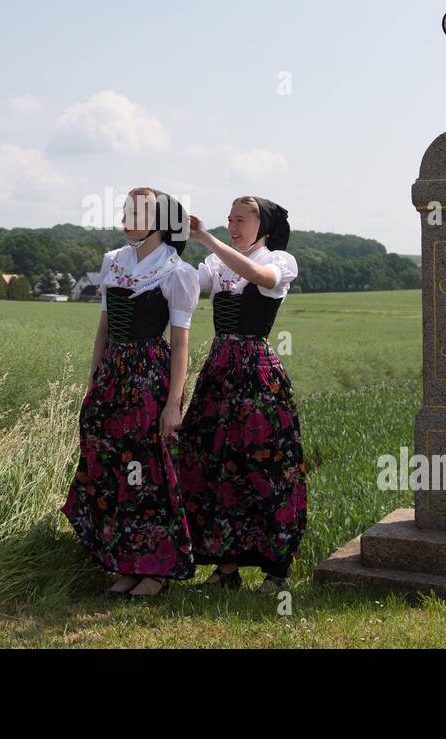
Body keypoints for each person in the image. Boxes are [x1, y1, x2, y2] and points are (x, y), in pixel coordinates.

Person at [61, 187, 200, 598]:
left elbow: (181, 345)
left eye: (135, 213)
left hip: (149, 379)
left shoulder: (177, 272)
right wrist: (93, 379)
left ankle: (154, 571)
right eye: (124, 211)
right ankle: (125, 563)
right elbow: (104, 327)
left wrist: (174, 403)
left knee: (147, 473)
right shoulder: (112, 262)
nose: (125, 218)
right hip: (113, 377)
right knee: (113, 468)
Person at [176, 196, 307, 593]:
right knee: (213, 462)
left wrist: (208, 240)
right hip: (219, 369)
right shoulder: (217, 264)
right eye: (229, 219)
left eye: (241, 220)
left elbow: (258, 276)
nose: (232, 226)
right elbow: (184, 285)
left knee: (265, 467)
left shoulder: (279, 261)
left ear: (262, 226)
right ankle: (225, 567)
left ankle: (276, 570)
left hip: (256, 371)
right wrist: (159, 247)